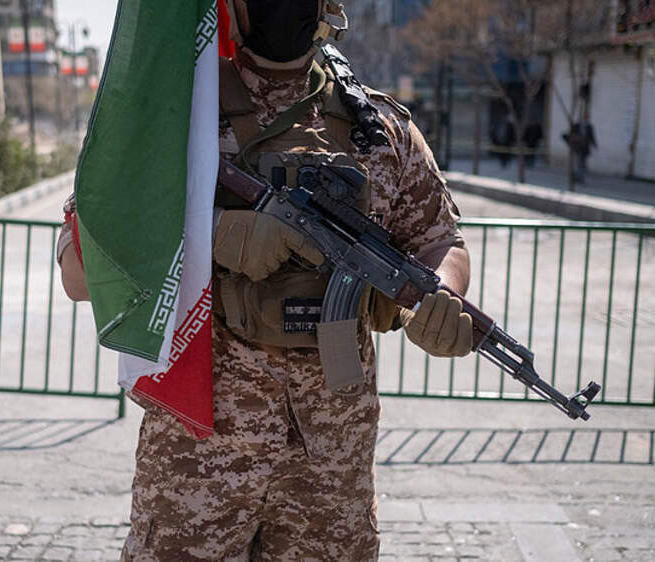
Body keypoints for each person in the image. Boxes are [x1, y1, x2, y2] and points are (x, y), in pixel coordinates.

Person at [59, 1, 472, 559]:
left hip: (331, 461)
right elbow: (81, 271)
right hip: (198, 457)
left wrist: (441, 295)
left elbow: (441, 240)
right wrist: (213, 234)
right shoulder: (176, 114)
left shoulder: (379, 129)